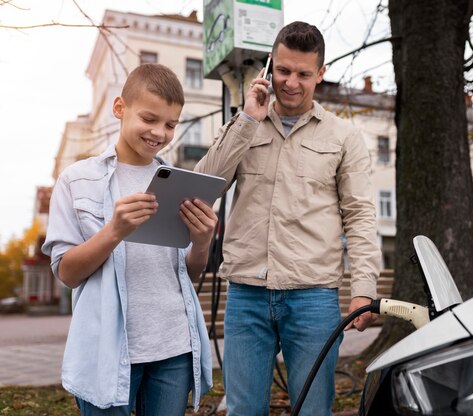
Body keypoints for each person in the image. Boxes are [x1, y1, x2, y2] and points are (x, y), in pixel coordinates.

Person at [195, 21, 381, 415]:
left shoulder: (344, 137)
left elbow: (361, 216)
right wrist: (246, 120)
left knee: (312, 410)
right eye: (282, 71)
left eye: (302, 73)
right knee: (243, 410)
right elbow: (204, 186)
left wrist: (363, 288)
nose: (291, 82)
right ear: (269, 67)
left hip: (313, 295)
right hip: (246, 292)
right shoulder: (244, 123)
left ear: (320, 74)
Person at [42, 63, 216, 415]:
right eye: (149, 119)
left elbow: (189, 273)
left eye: (170, 124)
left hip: (174, 348)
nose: (159, 133)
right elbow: (67, 272)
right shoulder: (77, 181)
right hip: (108, 349)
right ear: (120, 108)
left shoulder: (178, 183)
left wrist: (201, 243)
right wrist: (114, 232)